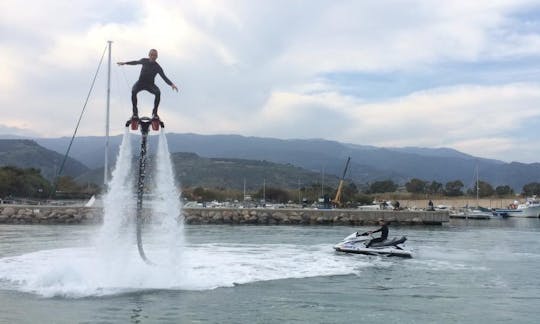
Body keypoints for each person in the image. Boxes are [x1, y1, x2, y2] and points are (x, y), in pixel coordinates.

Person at [117, 49, 178, 119]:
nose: (153, 56)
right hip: (140, 83)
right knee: (133, 91)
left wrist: (172, 84)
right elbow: (136, 62)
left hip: (150, 85)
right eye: (151, 55)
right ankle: (135, 113)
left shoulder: (157, 67)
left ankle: (155, 113)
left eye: (155, 55)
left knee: (158, 93)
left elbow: (164, 77)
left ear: (157, 57)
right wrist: (125, 63)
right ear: (149, 55)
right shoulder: (144, 61)